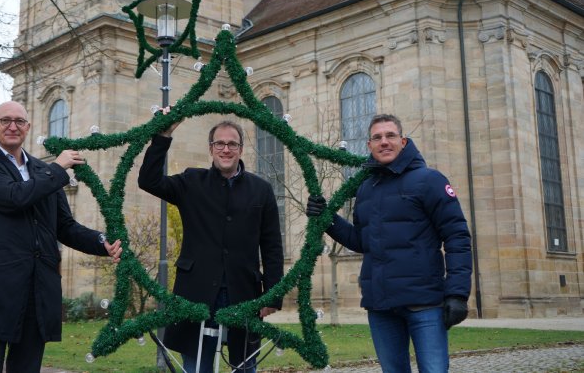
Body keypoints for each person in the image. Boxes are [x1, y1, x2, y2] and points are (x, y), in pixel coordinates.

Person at [0, 101, 122, 373]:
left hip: (37, 290)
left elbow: (65, 227)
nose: (12, 126)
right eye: (5, 120)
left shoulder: (42, 170)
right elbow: (14, 198)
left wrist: (102, 242)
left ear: (28, 127)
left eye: (19, 121)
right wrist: (58, 168)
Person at [306, 114, 472, 373]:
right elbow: (361, 241)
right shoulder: (366, 189)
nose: (384, 142)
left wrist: (458, 293)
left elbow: (457, 236)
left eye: (390, 136)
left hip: (424, 303)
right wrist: (327, 218)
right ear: (369, 145)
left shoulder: (430, 180)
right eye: (377, 137)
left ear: (403, 141)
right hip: (381, 306)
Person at [138, 115, 284, 373]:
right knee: (197, 366)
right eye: (219, 143)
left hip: (243, 291)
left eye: (232, 144)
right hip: (196, 290)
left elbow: (271, 245)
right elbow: (149, 181)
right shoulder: (191, 182)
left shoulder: (261, 189)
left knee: (244, 365)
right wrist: (162, 137)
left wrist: (273, 294)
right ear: (210, 149)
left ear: (241, 149)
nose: (226, 149)